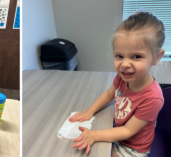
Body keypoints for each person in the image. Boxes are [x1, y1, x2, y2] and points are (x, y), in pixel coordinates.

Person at [69, 12, 165, 157]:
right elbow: (109, 94)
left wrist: (95, 135)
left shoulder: (153, 97)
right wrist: (90, 111)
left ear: (156, 57)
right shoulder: (124, 78)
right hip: (118, 133)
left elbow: (127, 131)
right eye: (119, 56)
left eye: (136, 56)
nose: (125, 64)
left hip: (133, 148)